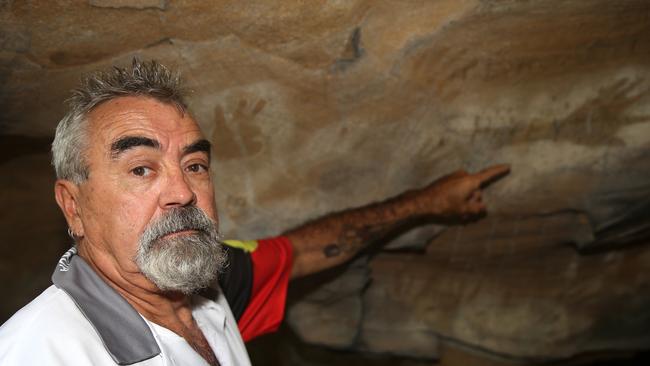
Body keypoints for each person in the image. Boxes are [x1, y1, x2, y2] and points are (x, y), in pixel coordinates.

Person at [0, 59, 509, 365]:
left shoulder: (206, 285)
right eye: (141, 169)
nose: (182, 191)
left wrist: (429, 202)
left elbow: (307, 250)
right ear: (74, 206)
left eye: (195, 164)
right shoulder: (42, 350)